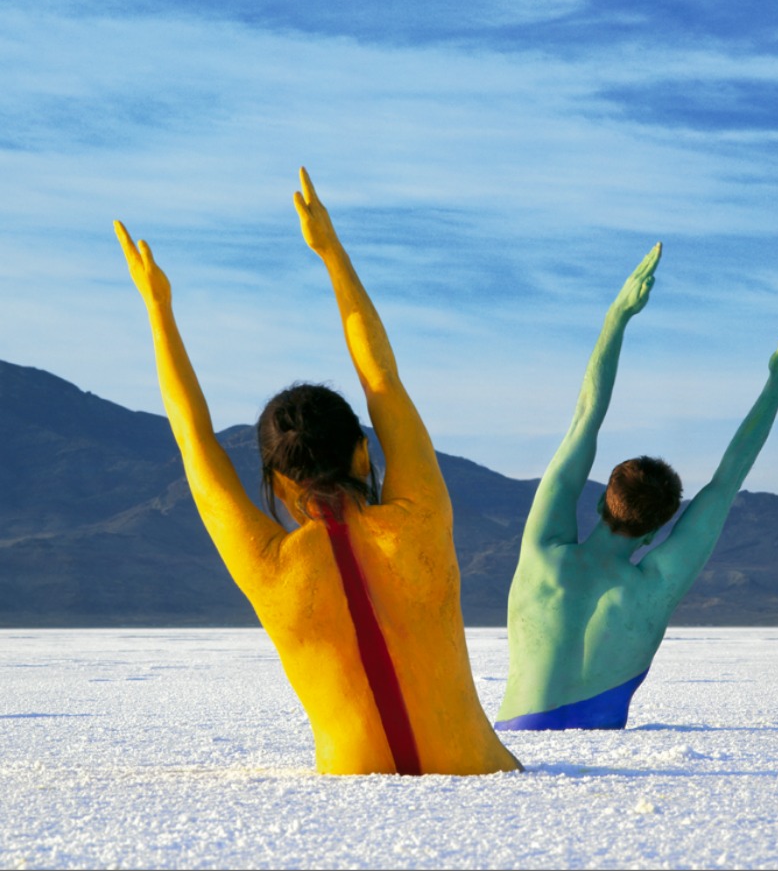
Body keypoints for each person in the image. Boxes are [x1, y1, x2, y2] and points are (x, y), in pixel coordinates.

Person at [115, 168, 520, 776]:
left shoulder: (270, 567)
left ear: (277, 482)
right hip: (486, 781)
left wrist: (158, 309)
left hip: (346, 811)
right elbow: (381, 380)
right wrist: (331, 253)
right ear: (364, 452)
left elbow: (193, 439)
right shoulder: (419, 521)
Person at [495, 244, 778, 730]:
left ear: (601, 501)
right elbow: (726, 483)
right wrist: (776, 387)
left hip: (512, 748)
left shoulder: (543, 556)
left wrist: (617, 317)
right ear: (659, 530)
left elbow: (585, 421)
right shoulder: (654, 587)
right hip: (609, 765)